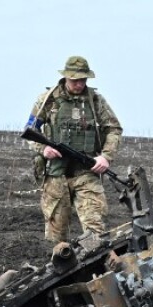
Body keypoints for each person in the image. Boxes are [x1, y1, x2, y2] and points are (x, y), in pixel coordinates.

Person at [28, 56, 123, 244]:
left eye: (83, 80)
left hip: (86, 172)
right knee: (56, 237)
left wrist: (105, 157)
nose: (79, 84)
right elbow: (30, 131)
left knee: (96, 232)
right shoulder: (48, 100)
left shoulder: (95, 101)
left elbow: (114, 129)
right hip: (56, 175)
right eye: (75, 80)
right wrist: (43, 148)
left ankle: (96, 268)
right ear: (66, 77)